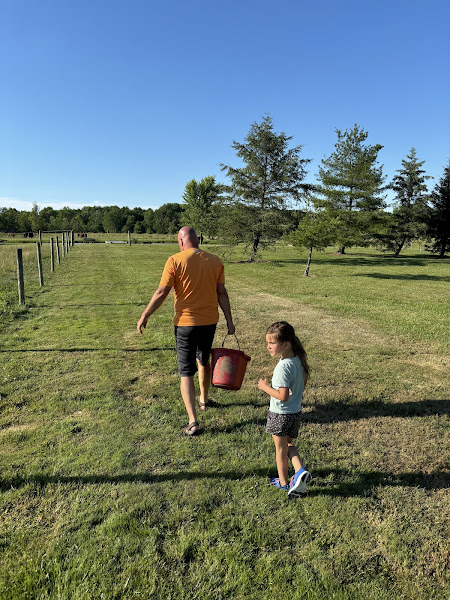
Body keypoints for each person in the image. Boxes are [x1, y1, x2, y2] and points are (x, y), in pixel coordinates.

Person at [137, 227, 235, 436]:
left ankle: (193, 421)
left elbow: (162, 291)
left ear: (181, 242)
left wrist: (145, 314)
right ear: (197, 240)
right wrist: (229, 321)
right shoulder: (215, 260)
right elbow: (222, 293)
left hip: (185, 324)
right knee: (204, 359)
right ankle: (204, 399)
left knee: (185, 371)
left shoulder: (175, 260)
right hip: (209, 322)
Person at [258, 321, 312, 497]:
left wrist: (264, 387)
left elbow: (283, 396)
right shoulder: (298, 360)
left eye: (272, 343)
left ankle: (283, 483)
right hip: (295, 412)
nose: (268, 346)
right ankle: (300, 470)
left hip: (280, 414)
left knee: (280, 450)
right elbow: (300, 385)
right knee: (289, 445)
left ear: (286, 344)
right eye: (268, 343)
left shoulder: (283, 367)